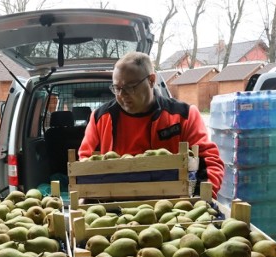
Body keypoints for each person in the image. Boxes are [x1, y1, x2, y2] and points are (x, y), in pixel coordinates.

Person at [78, 52, 224, 198]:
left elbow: (209, 161)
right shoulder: (100, 118)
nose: (122, 94)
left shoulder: (184, 115)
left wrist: (199, 199)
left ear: (151, 80)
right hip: (116, 208)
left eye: (130, 87)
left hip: (173, 209)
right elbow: (86, 165)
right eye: (117, 88)